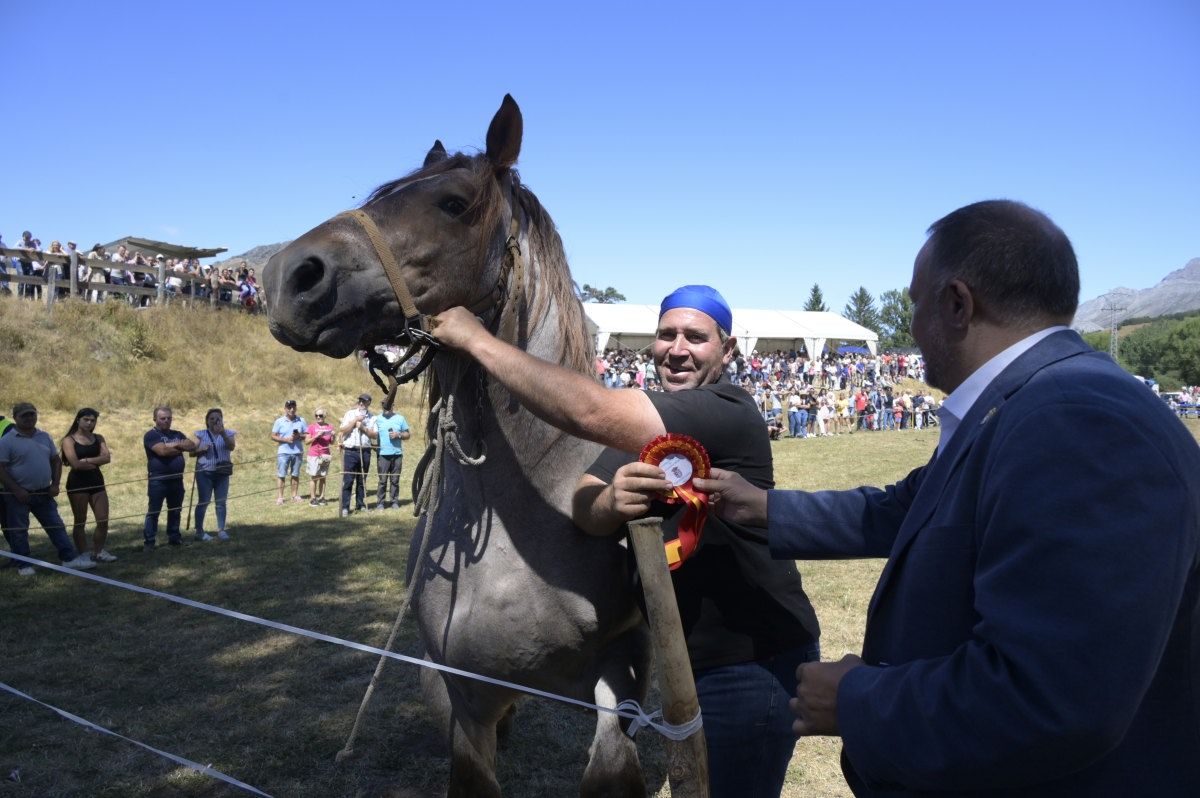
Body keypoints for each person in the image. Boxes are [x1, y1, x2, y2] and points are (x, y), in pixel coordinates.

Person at [695, 200, 1200, 796]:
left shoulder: (1074, 420)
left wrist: (857, 700)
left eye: (914, 303)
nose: (910, 327)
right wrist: (760, 506)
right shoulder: (1030, 402)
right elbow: (907, 509)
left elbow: (1054, 697)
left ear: (957, 303)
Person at [431, 284, 821, 798]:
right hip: (693, 662)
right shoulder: (656, 437)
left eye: (696, 337)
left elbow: (591, 414)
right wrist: (611, 500)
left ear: (728, 352)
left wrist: (476, 341)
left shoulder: (728, 407)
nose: (677, 349)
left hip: (755, 664)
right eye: (666, 335)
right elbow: (583, 505)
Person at [0, 402, 96, 574]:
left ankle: (69, 559)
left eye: (32, 414)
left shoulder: (44, 436)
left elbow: (56, 460)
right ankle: (24, 565)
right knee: (19, 531)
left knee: (56, 526)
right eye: (24, 415)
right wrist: (16, 490)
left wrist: (55, 484)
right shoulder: (6, 441)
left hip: (44, 492)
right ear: (15, 418)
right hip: (18, 495)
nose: (29, 418)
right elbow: (1, 468)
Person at [59, 407, 115, 562]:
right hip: (78, 483)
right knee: (80, 520)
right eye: (86, 420)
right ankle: (83, 554)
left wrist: (88, 461)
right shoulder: (68, 440)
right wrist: (95, 461)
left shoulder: (99, 438)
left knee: (103, 519)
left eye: (92, 421)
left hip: (97, 481)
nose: (89, 423)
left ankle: (98, 551)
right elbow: (75, 464)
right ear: (78, 419)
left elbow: (107, 458)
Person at [143, 405, 197, 550]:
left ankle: (174, 538)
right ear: (155, 419)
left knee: (175, 510)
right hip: (158, 480)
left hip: (176, 479)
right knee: (154, 511)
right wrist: (180, 445)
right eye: (163, 418)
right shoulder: (151, 435)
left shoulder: (177, 433)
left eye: (169, 418)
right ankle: (149, 542)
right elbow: (162, 451)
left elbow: (191, 445)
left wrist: (175, 445)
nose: (167, 421)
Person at [191, 408, 236, 541]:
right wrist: (201, 450)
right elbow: (191, 453)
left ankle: (221, 530)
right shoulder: (201, 434)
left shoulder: (228, 432)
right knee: (203, 502)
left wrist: (223, 434)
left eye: (218, 418)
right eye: (212, 419)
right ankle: (199, 531)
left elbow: (231, 446)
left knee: (221, 502)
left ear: (222, 420)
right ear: (207, 421)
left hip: (222, 473)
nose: (215, 421)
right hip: (205, 472)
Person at [338, 393, 375, 516]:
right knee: (348, 480)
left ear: (369, 403)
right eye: (360, 401)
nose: (361, 403)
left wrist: (363, 427)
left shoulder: (372, 417)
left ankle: (360, 504)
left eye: (364, 402)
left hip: (365, 451)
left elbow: (374, 435)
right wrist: (355, 421)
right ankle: (345, 507)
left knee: (362, 480)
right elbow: (343, 430)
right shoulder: (350, 414)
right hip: (351, 451)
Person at [369, 399, 411, 510]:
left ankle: (394, 501)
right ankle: (380, 503)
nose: (385, 407)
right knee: (382, 480)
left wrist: (399, 435)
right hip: (382, 455)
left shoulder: (400, 418)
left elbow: (407, 434)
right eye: (383, 405)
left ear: (393, 405)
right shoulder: (377, 419)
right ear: (382, 406)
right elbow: (372, 433)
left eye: (388, 405)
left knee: (395, 480)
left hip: (397, 454)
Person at [271, 399, 307, 504]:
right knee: (281, 474)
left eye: (293, 407)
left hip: (297, 452)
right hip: (283, 452)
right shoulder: (279, 421)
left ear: (296, 408)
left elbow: (307, 435)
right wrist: (285, 439)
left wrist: (299, 436)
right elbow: (273, 436)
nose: (291, 409)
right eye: (289, 407)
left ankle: (294, 495)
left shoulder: (302, 420)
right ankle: (280, 497)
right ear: (285, 409)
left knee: (295, 474)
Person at [304, 407, 335, 507]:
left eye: (320, 415)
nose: (318, 417)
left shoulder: (329, 427)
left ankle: (322, 497)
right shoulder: (311, 427)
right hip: (314, 455)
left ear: (324, 416)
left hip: (325, 454)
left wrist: (333, 436)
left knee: (323, 476)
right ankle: (313, 498)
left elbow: (331, 442)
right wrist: (316, 436)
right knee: (314, 476)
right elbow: (306, 441)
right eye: (316, 415)